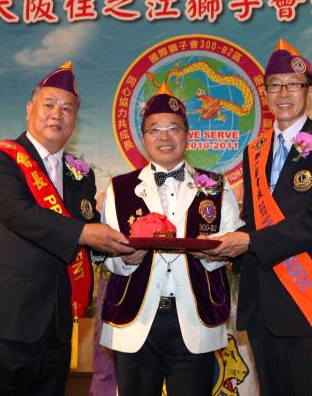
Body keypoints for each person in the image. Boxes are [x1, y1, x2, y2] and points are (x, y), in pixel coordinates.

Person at [0, 61, 134, 396]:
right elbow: (21, 214)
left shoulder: (82, 175)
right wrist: (86, 234)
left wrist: (121, 251)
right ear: (29, 109)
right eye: (49, 104)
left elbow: (88, 233)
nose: (56, 114)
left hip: (53, 328)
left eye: (67, 108)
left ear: (75, 120)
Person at [206, 39, 312, 396]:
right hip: (263, 300)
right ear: (265, 94)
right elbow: (252, 221)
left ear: (309, 93)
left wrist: (251, 241)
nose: (284, 93)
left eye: (293, 85)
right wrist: (218, 241)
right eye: (275, 85)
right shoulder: (255, 150)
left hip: (311, 296)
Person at [99, 83, 244, 396]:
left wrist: (214, 254)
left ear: (187, 135)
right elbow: (106, 251)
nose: (164, 137)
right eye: (154, 129)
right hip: (135, 319)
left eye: (173, 128)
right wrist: (125, 260)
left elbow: (232, 245)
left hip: (195, 317)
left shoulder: (217, 186)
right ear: (143, 138)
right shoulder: (119, 188)